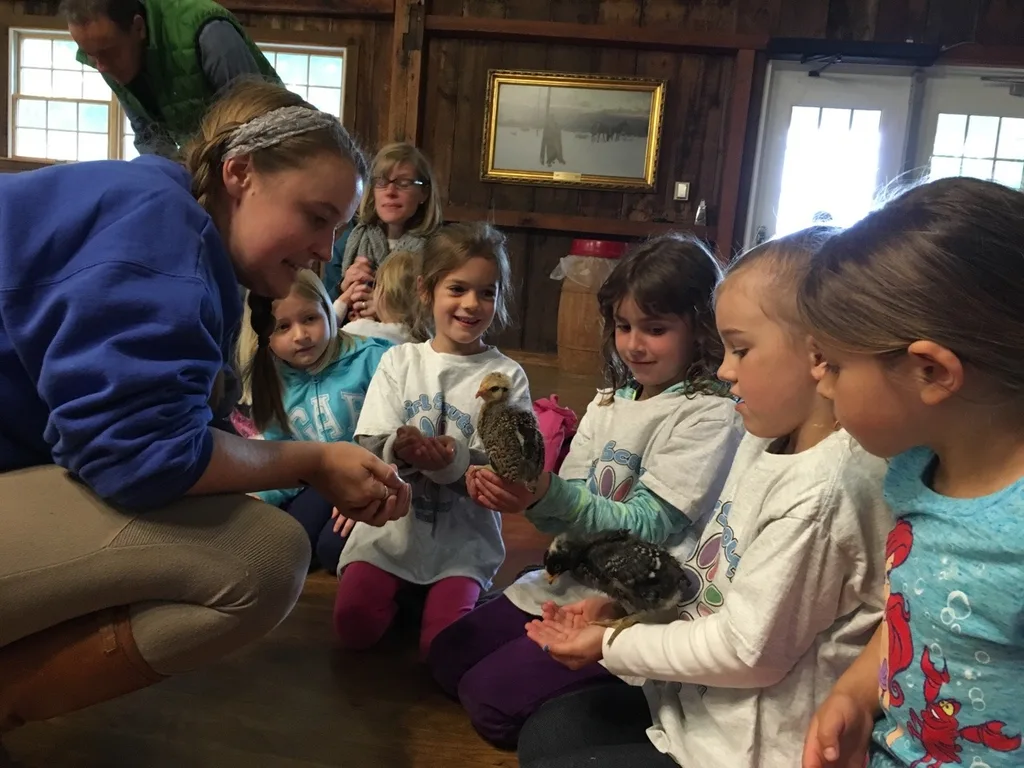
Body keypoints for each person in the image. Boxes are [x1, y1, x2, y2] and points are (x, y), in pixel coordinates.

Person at [0, 79, 410, 738]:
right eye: (315, 217)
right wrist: (312, 460)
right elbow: (136, 458)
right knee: (260, 560)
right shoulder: (160, 232)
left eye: (338, 229)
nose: (325, 252)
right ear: (240, 174)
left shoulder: (158, 211)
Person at [517, 228, 892, 768]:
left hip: (746, 748)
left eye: (740, 349)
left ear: (818, 354)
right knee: (546, 736)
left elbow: (747, 652)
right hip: (694, 708)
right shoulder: (763, 439)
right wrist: (626, 610)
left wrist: (610, 645)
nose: (723, 368)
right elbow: (705, 569)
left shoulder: (826, 493)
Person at [427, 234, 745, 748]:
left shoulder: (708, 414)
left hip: (636, 600)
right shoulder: (608, 401)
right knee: (446, 661)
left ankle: (626, 698)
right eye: (623, 326)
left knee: (489, 703)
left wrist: (542, 495)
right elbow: (566, 510)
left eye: (656, 329)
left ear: (700, 329)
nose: (634, 344)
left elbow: (649, 525)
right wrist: (527, 496)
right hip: (573, 580)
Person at [800, 178, 1024, 768]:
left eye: (837, 365)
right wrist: (854, 693)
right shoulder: (913, 472)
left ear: (929, 371)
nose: (821, 383)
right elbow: (909, 615)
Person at [332, 222, 530, 660]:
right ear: (426, 290)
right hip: (391, 533)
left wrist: (453, 460)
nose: (471, 304)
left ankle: (445, 597)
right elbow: (369, 443)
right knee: (354, 628)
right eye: (457, 288)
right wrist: (399, 451)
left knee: (442, 650)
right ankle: (405, 591)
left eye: (487, 292)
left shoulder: (507, 376)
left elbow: (509, 466)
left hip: (462, 541)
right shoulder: (400, 362)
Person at [248, 269, 393, 575]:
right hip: (319, 482)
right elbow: (282, 455)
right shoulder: (273, 381)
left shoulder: (373, 359)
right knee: (287, 542)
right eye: (283, 327)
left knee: (331, 550)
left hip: (378, 475)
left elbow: (396, 428)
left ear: (328, 312)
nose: (300, 335)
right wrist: (261, 495)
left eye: (310, 319)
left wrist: (370, 488)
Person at [60, 0, 279, 158]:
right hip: (206, 158)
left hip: (274, 149)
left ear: (138, 27)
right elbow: (148, 134)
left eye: (108, 53)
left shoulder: (210, 34)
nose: (101, 67)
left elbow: (253, 129)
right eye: (89, 53)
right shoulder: (104, 55)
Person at [324, 142, 442, 311]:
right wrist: (341, 287)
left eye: (403, 183)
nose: (390, 191)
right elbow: (318, 308)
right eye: (381, 182)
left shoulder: (439, 249)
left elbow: (440, 317)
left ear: (424, 193)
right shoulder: (349, 240)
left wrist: (386, 309)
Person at [336, 249, 425, 345]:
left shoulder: (360, 329)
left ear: (383, 292)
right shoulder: (418, 341)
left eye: (377, 285)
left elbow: (328, 334)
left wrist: (343, 300)